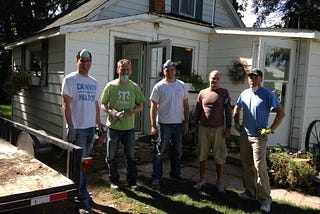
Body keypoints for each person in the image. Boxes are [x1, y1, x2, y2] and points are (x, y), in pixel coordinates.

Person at [233, 68, 285, 213]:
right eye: (250, 77)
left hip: (258, 137)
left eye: (255, 78)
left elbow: (281, 113)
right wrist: (236, 123)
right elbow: (237, 108)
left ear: (261, 79)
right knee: (247, 165)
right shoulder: (244, 93)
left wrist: (269, 129)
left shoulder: (267, 94)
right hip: (245, 135)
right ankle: (250, 192)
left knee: (260, 168)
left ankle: (265, 200)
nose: (252, 80)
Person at [61, 49, 102, 213]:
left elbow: (95, 105)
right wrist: (70, 126)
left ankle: (79, 193)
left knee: (83, 165)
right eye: (82, 60)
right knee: (79, 165)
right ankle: (83, 201)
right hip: (77, 129)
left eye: (88, 61)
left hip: (90, 128)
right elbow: (66, 105)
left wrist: (99, 125)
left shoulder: (93, 82)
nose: (85, 64)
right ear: (77, 60)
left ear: (91, 62)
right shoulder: (70, 79)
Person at [100, 59, 145, 190]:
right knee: (111, 156)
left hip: (129, 129)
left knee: (130, 156)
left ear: (130, 71)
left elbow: (141, 106)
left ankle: (132, 181)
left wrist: (130, 111)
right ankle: (113, 180)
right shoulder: (111, 86)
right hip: (113, 128)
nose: (124, 71)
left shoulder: (134, 87)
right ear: (117, 70)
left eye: (126, 69)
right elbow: (103, 104)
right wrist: (111, 112)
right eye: (122, 69)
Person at [150, 59, 189, 190]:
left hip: (178, 124)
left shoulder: (182, 85)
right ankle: (156, 178)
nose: (170, 72)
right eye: (167, 70)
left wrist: (187, 122)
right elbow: (153, 106)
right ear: (163, 71)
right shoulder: (159, 86)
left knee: (177, 151)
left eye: (172, 70)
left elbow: (186, 105)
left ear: (175, 71)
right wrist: (153, 125)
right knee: (159, 152)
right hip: (163, 124)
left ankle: (175, 174)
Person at [191, 70, 232, 193]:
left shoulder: (224, 93)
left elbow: (228, 111)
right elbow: (198, 110)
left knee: (219, 156)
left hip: (218, 129)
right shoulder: (202, 93)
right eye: (214, 78)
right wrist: (193, 125)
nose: (215, 81)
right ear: (209, 78)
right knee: (202, 155)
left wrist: (228, 127)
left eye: (218, 78)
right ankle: (202, 179)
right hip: (203, 128)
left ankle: (219, 182)